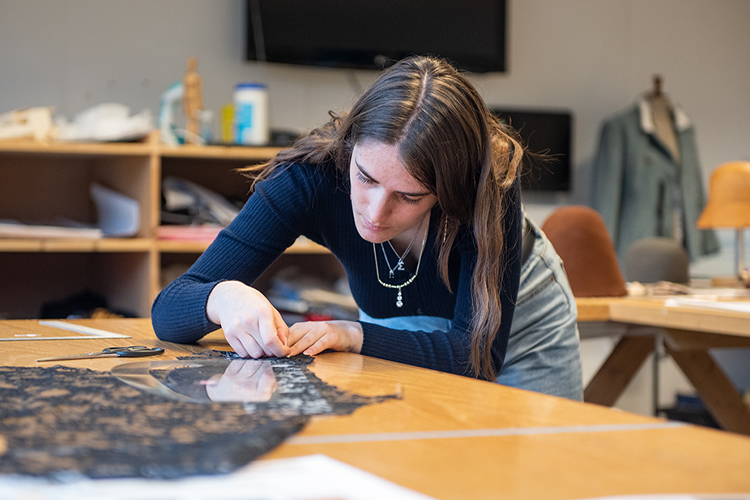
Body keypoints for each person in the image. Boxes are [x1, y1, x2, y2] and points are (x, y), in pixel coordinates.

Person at [152, 56, 583, 400]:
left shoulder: (487, 187)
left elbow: (474, 358)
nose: (376, 213)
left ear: (450, 190)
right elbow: (168, 312)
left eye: (410, 196)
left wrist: (352, 333)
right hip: (392, 325)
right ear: (349, 146)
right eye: (366, 178)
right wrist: (222, 296)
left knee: (537, 461)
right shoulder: (309, 179)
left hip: (518, 319)